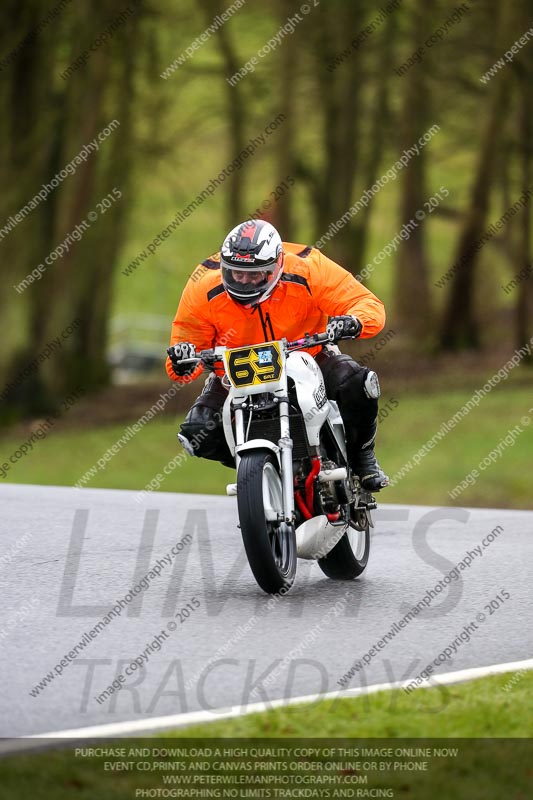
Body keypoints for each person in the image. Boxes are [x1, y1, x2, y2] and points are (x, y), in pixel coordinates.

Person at [166, 220, 389, 491]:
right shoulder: (203, 284)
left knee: (357, 383)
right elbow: (186, 349)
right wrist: (182, 358)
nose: (244, 281)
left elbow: (366, 303)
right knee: (197, 433)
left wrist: (353, 321)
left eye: (255, 274)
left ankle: (363, 458)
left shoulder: (308, 267)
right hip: (236, 370)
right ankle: (261, 474)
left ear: (276, 267)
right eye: (236, 274)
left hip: (308, 353)